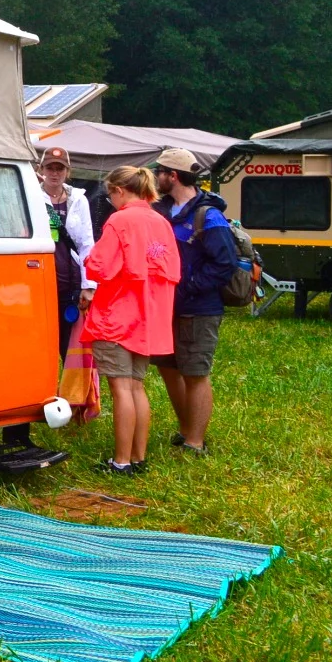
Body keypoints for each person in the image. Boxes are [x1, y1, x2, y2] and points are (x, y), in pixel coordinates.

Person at [79, 166, 180, 476]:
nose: (110, 200)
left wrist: (86, 259)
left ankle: (120, 462)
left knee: (121, 389)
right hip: (149, 319)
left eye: (111, 194)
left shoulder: (120, 220)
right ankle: (137, 458)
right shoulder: (160, 222)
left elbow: (98, 266)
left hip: (118, 317)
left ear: (119, 191)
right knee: (137, 387)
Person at [151, 147, 237, 455]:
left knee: (195, 373)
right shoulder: (160, 210)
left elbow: (224, 264)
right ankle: (186, 429)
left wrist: (187, 287)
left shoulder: (208, 215)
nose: (155, 177)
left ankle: (196, 442)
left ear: (172, 176)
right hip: (166, 308)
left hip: (199, 308)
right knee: (168, 368)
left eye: (159, 172)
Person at [36, 146, 97, 357]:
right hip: (39, 280)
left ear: (67, 172)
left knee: (69, 342)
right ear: (41, 169)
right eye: (50, 168)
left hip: (69, 282)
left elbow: (87, 243)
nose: (54, 173)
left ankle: (69, 388)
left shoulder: (79, 200)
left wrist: (88, 285)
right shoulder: (32, 196)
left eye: (60, 169)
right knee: (43, 340)